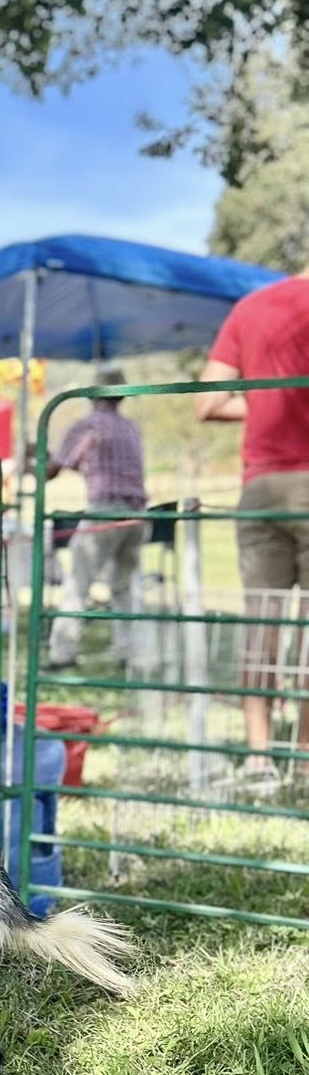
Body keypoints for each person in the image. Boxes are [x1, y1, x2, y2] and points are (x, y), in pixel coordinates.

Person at [198, 272, 309, 788]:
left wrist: (265, 402)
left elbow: (210, 400)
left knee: (260, 620)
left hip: (261, 486)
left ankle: (259, 755)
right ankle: (304, 755)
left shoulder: (251, 306)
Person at [45, 367, 149, 671]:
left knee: (78, 583)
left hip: (104, 510)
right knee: (123, 586)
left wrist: (34, 459)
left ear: (92, 394)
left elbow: (51, 470)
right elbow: (98, 465)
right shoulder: (129, 428)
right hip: (137, 513)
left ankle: (62, 653)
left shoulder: (87, 426)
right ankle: (126, 651)